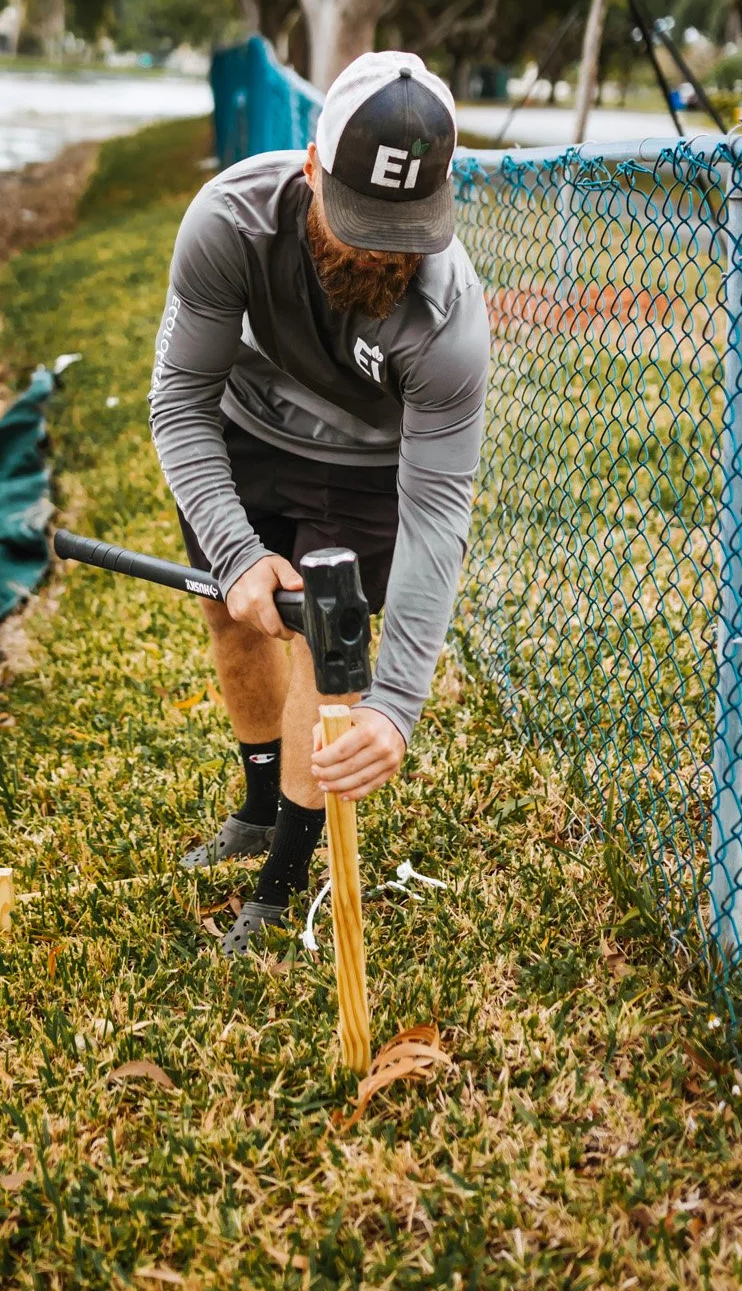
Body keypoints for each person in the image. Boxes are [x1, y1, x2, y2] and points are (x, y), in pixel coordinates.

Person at [149, 50, 491, 954]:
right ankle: (261, 806)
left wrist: (394, 707)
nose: (382, 248)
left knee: (314, 642)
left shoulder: (446, 317)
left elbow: (435, 514)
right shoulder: (228, 221)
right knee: (235, 614)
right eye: (360, 220)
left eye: (405, 224)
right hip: (245, 428)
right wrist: (232, 553)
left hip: (366, 469)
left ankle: (282, 880)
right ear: (311, 170)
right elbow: (178, 401)